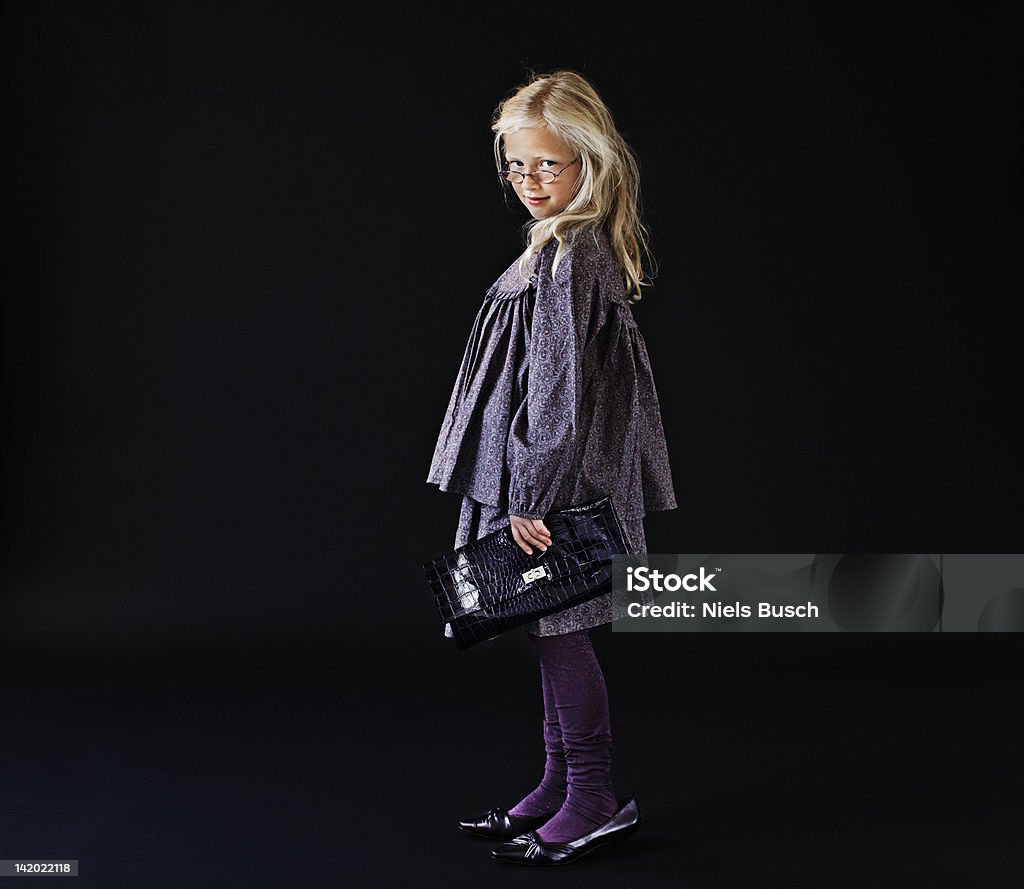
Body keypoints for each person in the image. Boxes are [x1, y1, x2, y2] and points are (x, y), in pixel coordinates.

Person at [425, 69, 678, 866]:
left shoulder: (573, 250)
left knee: (561, 630)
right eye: (518, 165)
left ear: (589, 165)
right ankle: (557, 782)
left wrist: (529, 493)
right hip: (543, 472)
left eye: (551, 166)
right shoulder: (558, 242)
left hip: (554, 481)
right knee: (544, 626)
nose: (532, 181)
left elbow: (560, 391)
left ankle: (595, 796)